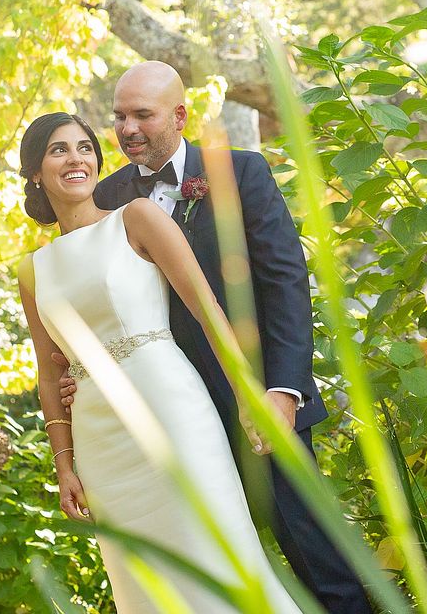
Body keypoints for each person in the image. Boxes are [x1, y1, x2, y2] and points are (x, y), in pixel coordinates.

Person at [55, 62, 371, 614]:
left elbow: (285, 284)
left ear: (180, 117)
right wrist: (84, 374)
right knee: (210, 566)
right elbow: (88, 292)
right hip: (168, 415)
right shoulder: (105, 198)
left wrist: (283, 390)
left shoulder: (240, 174)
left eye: (141, 115)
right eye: (119, 117)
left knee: (316, 554)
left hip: (254, 399)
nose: (126, 129)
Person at [17, 112, 302, 613]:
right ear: (36, 172)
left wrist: (245, 396)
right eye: (58, 150)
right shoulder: (33, 269)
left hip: (172, 412)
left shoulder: (138, 218)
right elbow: (50, 373)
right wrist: (65, 465)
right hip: (101, 442)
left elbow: (207, 309)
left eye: (84, 147)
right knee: (142, 580)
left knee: (215, 554)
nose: (76, 158)